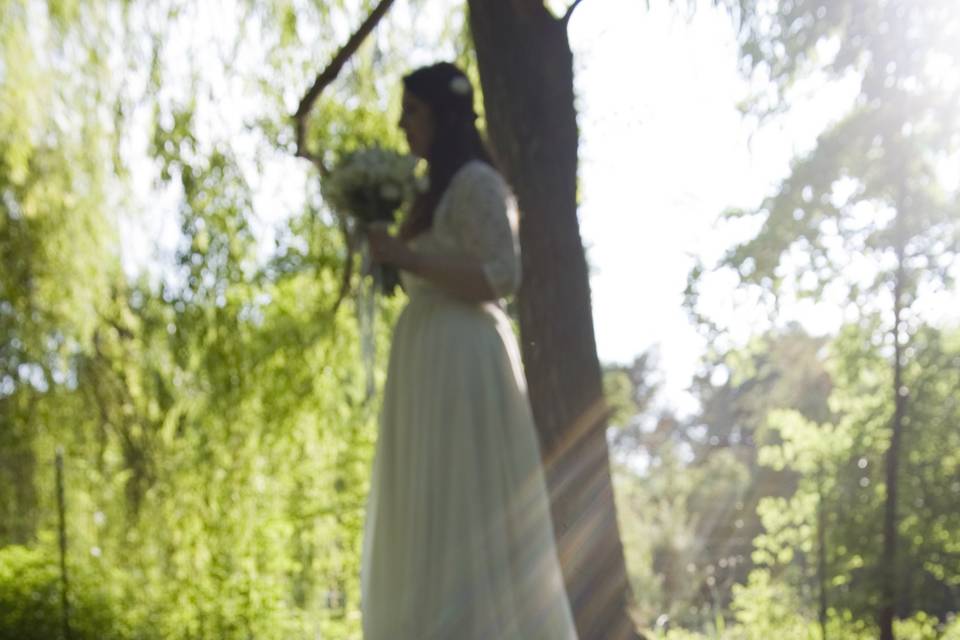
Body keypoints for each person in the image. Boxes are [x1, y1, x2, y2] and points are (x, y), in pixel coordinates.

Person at [361, 62, 579, 639]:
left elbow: (502, 274)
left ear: (441, 113)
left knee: (465, 502)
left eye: (411, 111)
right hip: (424, 357)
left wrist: (405, 258)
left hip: (463, 357)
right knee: (426, 506)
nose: (402, 123)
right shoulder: (427, 192)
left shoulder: (477, 183)